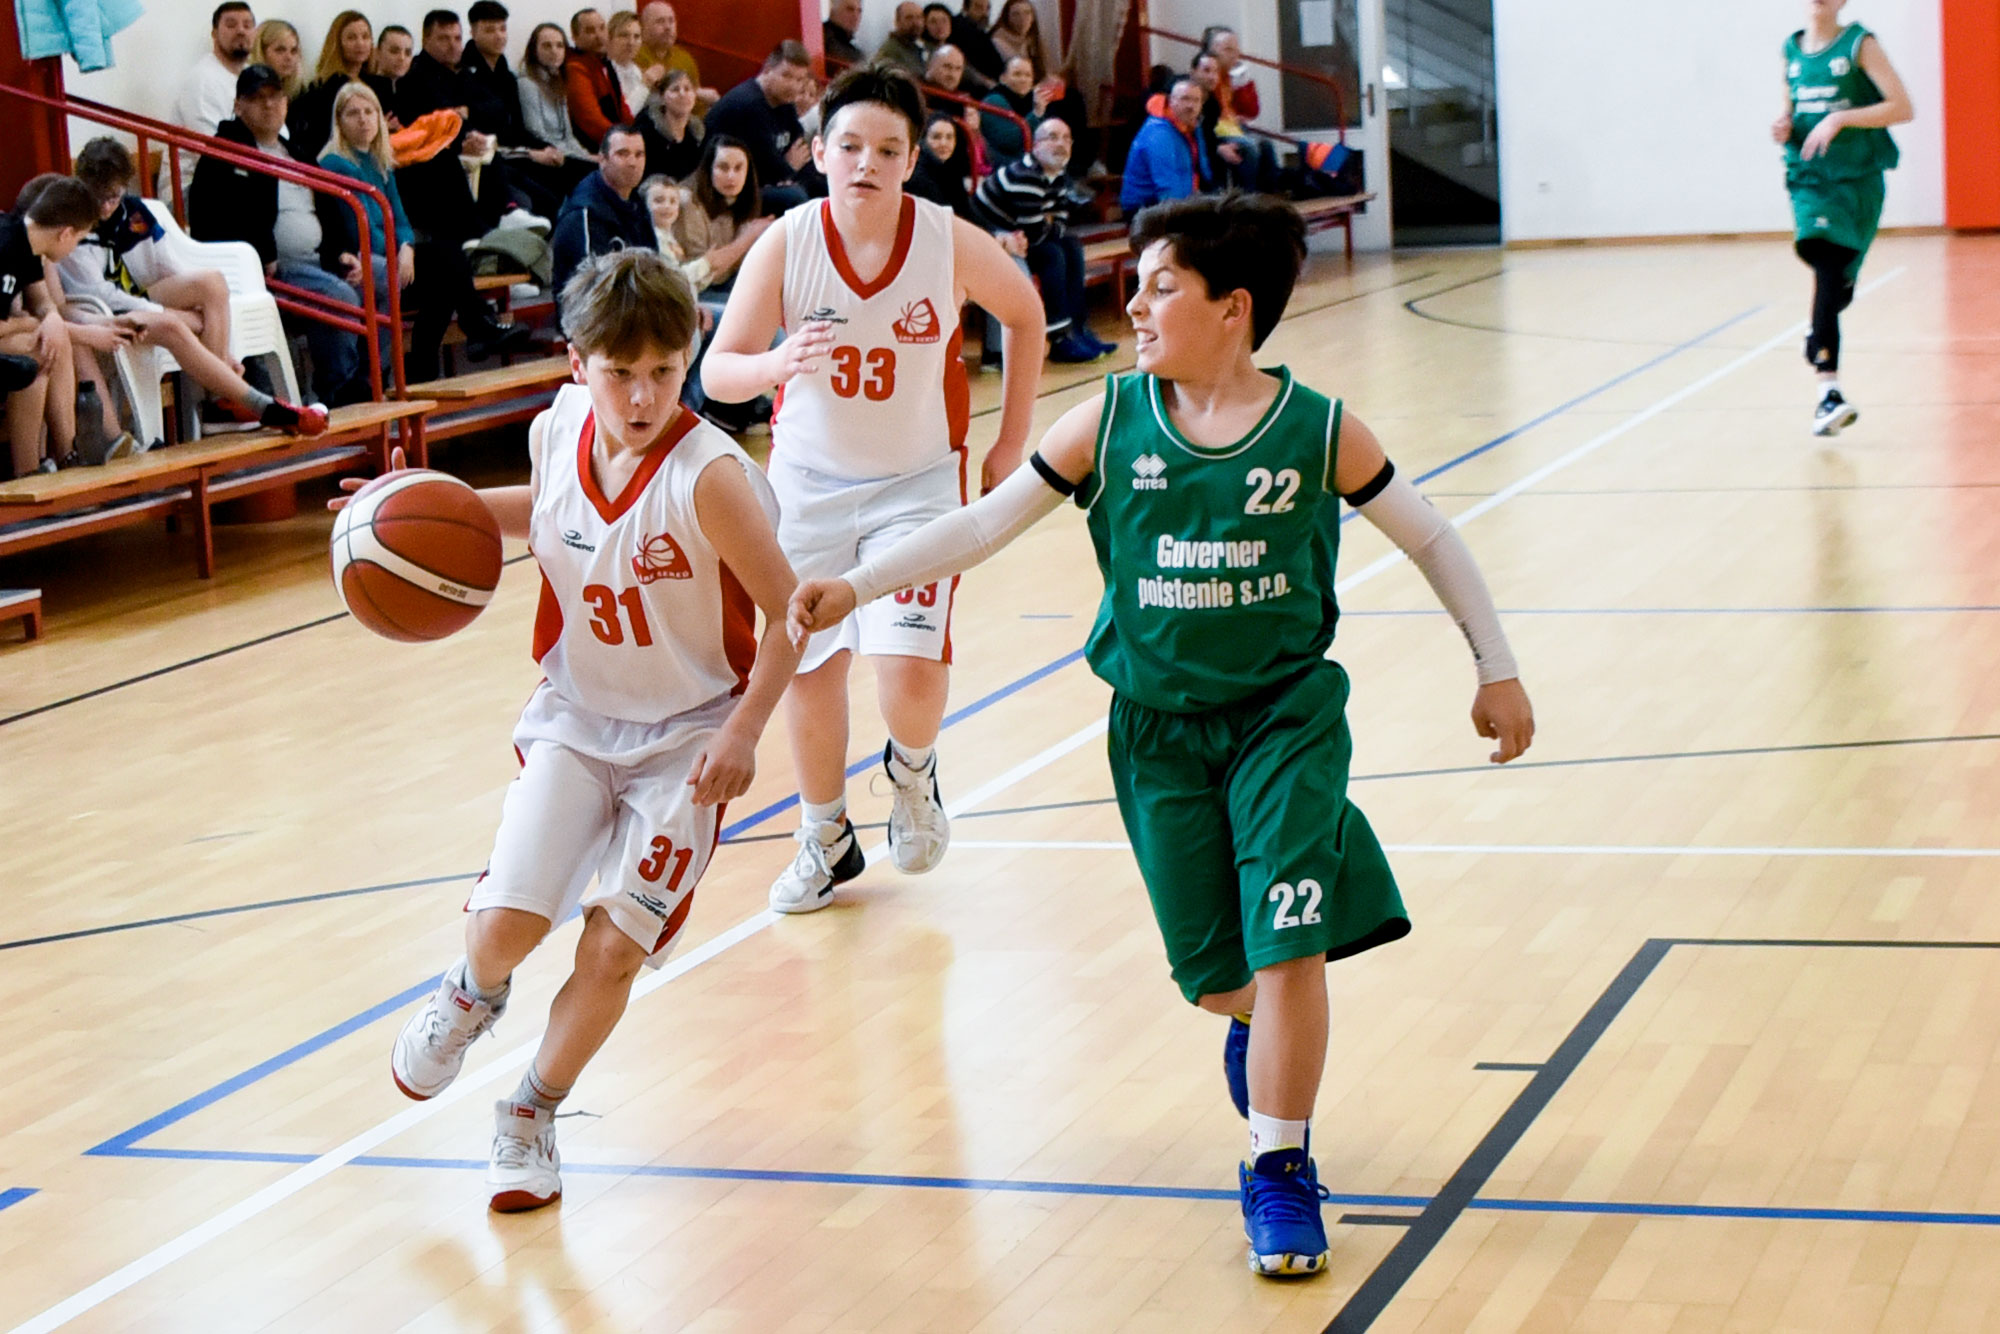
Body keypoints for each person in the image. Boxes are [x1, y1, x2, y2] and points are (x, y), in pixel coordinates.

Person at [787, 191, 1536, 1278]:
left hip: (1285, 718)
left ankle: (1279, 1166)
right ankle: (1263, 1015)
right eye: (1135, 285)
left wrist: (1494, 666)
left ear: (1233, 308)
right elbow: (982, 526)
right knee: (1222, 977)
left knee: (1287, 946)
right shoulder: (1107, 420)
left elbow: (1428, 535)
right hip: (1155, 733)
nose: (1132, 304)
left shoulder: (1319, 428)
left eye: (1159, 286)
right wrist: (853, 584)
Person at [371, 247, 802, 1215]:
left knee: (613, 947)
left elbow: (791, 614)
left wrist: (744, 730)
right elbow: (547, 514)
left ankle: (530, 1112)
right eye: (620, 373)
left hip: (688, 738)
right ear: (577, 363)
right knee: (504, 929)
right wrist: (398, 515)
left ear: (688, 357)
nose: (643, 395)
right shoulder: (555, 428)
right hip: (576, 716)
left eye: (663, 370)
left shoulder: (710, 477)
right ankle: (471, 991)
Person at [701, 61, 1045, 914]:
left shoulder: (946, 237)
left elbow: (1025, 312)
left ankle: (913, 770)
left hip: (915, 485)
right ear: (820, 151)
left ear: (911, 160)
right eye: (850, 145)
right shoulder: (787, 241)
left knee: (909, 673)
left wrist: (1011, 439)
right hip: (806, 487)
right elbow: (717, 371)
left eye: (888, 149)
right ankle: (824, 837)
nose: (867, 163)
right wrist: (776, 363)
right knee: (808, 669)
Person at [67, 133, 329, 439]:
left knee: (212, 283)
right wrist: (165, 311)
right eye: (97, 197)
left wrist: (192, 308)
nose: (104, 207)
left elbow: (168, 264)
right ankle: (225, 398)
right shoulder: (76, 223)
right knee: (186, 322)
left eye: (113, 197)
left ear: (125, 187)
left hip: (138, 294)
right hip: (107, 308)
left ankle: (220, 393)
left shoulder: (134, 211)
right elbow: (101, 294)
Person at [316, 81, 533, 382]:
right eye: (353, 113)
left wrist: (407, 248)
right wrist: (399, 252)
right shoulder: (336, 163)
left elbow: (400, 218)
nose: (363, 119)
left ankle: (433, 360)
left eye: (369, 111)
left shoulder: (380, 161)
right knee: (446, 266)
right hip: (366, 260)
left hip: (392, 255)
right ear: (339, 121)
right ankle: (465, 336)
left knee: (446, 270)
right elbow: (359, 228)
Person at [191, 64, 371, 405]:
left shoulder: (296, 152)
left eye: (275, 96)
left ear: (286, 103)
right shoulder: (224, 154)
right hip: (270, 271)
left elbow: (330, 209)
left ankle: (374, 377)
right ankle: (339, 390)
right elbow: (215, 222)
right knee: (339, 296)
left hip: (319, 260)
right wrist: (263, 254)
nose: (269, 105)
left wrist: (342, 251)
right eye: (257, 98)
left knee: (384, 277)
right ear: (238, 106)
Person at [1773, 0, 1912, 436]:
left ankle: (1818, 333)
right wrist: (1784, 126)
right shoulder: (1790, 51)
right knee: (1826, 263)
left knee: (1839, 286)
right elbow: (1791, 113)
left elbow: (1902, 107)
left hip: (1858, 181)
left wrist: (1840, 119)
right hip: (1811, 179)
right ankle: (1828, 394)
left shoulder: (1859, 45)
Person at [970, 117, 1112, 363]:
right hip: (988, 240)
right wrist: (1046, 223)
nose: (1061, 144)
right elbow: (1035, 232)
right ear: (1035, 146)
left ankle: (1078, 329)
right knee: (1052, 254)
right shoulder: (1025, 175)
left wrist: (1047, 223)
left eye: (1066, 139)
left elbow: (1060, 221)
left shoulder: (1057, 174)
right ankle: (1058, 338)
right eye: (1053, 138)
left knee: (1071, 245)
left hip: (1017, 236)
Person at [0, 178, 97, 475]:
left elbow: (42, 301)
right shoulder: (4, 244)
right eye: (78, 239)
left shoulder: (25, 244)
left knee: (50, 342)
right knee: (36, 350)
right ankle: (28, 473)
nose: (74, 247)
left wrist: (52, 318)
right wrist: (30, 322)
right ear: (65, 233)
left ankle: (68, 455)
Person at [702, 42, 815, 214]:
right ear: (767, 70)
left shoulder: (784, 102)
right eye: (787, 76)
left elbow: (801, 150)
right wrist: (789, 168)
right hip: (725, 189)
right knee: (795, 197)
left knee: (820, 183)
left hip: (760, 183)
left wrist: (790, 169)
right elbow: (770, 169)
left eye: (800, 80)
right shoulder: (748, 105)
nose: (793, 86)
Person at [551, 123, 654, 297]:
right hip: (592, 309)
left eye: (639, 155)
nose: (632, 163)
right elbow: (591, 290)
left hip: (631, 303)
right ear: (602, 160)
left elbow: (653, 266)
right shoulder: (584, 212)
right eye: (622, 154)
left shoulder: (638, 203)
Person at [168, 2, 258, 194]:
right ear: (214, 34)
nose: (241, 31)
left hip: (248, 176)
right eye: (231, 25)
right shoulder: (202, 80)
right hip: (197, 188)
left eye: (247, 25)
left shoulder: (254, 75)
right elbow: (212, 153)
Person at [671, 136, 769, 299]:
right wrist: (746, 239)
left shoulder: (739, 199)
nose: (731, 176)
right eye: (723, 168)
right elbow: (705, 274)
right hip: (692, 291)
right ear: (709, 169)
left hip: (724, 282)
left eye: (738, 168)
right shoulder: (687, 201)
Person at [1189, 50, 1276, 194]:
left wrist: (1220, 145)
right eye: (1206, 71)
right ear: (1193, 72)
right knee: (1248, 148)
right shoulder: (1185, 98)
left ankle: (1267, 196)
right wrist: (1218, 147)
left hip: (1217, 137)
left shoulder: (1212, 103)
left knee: (1265, 144)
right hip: (1197, 145)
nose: (1212, 77)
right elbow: (1193, 134)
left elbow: (1210, 131)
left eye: (1215, 72)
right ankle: (1246, 197)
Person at [1120, 77, 1209, 213]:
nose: (1191, 106)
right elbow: (1167, 184)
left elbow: (1202, 172)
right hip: (1146, 209)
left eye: (1196, 100)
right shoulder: (1159, 132)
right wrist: (1183, 215)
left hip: (1178, 202)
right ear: (1171, 101)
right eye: (1185, 99)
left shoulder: (1191, 127)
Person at [519, 22, 600, 168]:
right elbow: (538, 135)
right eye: (547, 46)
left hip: (568, 155)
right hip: (549, 158)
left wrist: (586, 155)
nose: (554, 51)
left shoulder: (558, 81)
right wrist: (583, 158)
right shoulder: (527, 84)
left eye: (559, 46)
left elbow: (568, 136)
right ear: (534, 50)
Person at [291, 11, 372, 154]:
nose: (360, 43)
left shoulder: (369, 81)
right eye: (351, 37)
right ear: (337, 42)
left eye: (365, 37)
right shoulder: (330, 86)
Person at [564, 8, 630, 152]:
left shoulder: (604, 63)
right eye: (590, 31)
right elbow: (590, 120)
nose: (599, 36)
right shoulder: (575, 68)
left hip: (615, 139)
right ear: (575, 37)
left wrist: (635, 134)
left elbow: (621, 107)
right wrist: (624, 142)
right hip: (597, 148)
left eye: (602, 28)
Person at [636, 67, 706, 183]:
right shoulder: (646, 131)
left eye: (687, 89)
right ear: (662, 97)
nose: (682, 94)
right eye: (675, 90)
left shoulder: (696, 137)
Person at [980, 54, 1049, 163]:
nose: (1023, 79)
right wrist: (1036, 114)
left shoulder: (1035, 100)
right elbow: (1008, 141)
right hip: (1005, 164)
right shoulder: (993, 101)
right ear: (1003, 78)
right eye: (1017, 74)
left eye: (1028, 75)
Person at [908, 111, 973, 216]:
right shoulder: (918, 176)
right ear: (923, 139)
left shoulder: (953, 169)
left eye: (949, 137)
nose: (944, 143)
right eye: (936, 137)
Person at [366, 26, 421, 130]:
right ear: (377, 53)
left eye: (408, 53)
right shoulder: (365, 91)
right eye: (394, 51)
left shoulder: (415, 93)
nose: (402, 58)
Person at [606, 11, 650, 125]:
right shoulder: (603, 73)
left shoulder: (636, 71)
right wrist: (645, 85)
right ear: (610, 38)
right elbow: (622, 116)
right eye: (624, 36)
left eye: (636, 36)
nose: (631, 42)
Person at [989, 0, 1046, 80]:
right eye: (1016, 14)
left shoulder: (1030, 40)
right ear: (1007, 18)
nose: (1022, 18)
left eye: (1027, 13)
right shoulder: (998, 42)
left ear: (1033, 17)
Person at [951, 0, 1004, 84]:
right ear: (965, 8)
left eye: (987, 8)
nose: (984, 13)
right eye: (978, 7)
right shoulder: (960, 28)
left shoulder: (980, 30)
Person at [250, 19, 305, 100]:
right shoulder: (247, 92)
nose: (289, 57)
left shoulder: (300, 94)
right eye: (280, 50)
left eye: (293, 51)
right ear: (261, 52)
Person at [873, 2, 927, 80]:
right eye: (909, 18)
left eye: (919, 17)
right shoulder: (890, 51)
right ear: (897, 22)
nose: (916, 23)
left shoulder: (918, 50)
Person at [823, 0, 864, 68]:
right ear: (833, 11)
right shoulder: (821, 40)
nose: (856, 16)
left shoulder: (856, 53)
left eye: (859, 11)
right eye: (850, 9)